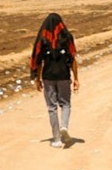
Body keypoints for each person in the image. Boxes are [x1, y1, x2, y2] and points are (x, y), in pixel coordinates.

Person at [29, 12, 80, 148]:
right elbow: (73, 58)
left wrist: (38, 79)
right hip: (64, 76)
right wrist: (76, 79)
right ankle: (64, 126)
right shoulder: (67, 37)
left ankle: (57, 139)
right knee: (66, 104)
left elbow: (38, 60)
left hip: (48, 77)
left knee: (52, 108)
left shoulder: (43, 39)